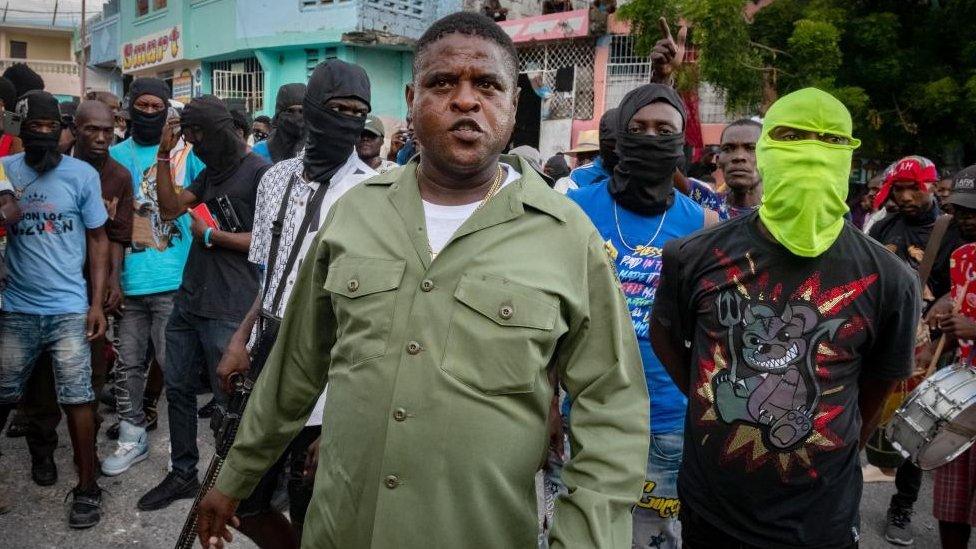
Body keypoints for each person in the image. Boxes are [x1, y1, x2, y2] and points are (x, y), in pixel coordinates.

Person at [196, 12, 648, 549]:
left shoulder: (565, 234)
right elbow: (295, 366)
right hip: (343, 529)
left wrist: (585, 536)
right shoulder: (355, 215)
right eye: (442, 83)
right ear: (412, 100)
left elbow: (612, 403)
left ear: (513, 104)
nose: (464, 100)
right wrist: (236, 476)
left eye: (486, 84)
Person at [650, 88, 919, 548]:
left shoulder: (892, 278)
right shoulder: (694, 254)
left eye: (830, 141)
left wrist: (833, 442)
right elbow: (667, 340)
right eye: (792, 137)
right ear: (770, 151)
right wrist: (713, 397)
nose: (812, 155)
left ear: (850, 157)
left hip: (822, 519)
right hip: (714, 510)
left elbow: (876, 390)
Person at [209, 58, 377, 549]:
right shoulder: (276, 180)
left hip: (328, 374)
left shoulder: (371, 193)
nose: (346, 119)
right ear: (310, 112)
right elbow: (272, 275)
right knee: (245, 501)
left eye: (357, 111)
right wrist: (241, 339)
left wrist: (344, 414)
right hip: (265, 354)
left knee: (314, 510)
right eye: (335, 108)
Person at [567, 83, 714, 549]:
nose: (650, 137)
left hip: (668, 417)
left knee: (653, 539)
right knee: (581, 534)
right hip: (588, 410)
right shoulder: (573, 211)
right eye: (638, 128)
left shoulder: (702, 224)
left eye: (663, 129)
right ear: (620, 137)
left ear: (681, 141)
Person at [137, 95, 268, 511]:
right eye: (190, 140)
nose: (199, 146)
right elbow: (172, 206)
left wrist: (212, 237)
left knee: (229, 398)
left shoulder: (261, 173)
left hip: (230, 307)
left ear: (224, 130)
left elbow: (269, 243)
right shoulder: (211, 171)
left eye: (202, 137)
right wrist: (162, 155)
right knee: (177, 388)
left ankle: (233, 485)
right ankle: (183, 474)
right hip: (190, 298)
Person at [0, 90, 110, 528]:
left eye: (51, 127)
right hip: (16, 308)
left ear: (63, 129)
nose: (44, 136)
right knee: (5, 396)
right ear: (20, 132)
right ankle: (42, 459)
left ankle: (87, 487)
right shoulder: (5, 172)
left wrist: (96, 302)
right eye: (35, 129)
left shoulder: (82, 175)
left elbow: (99, 239)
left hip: (68, 307)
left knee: (79, 399)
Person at [16, 100, 133, 487]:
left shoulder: (106, 175)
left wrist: (104, 293)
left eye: (107, 130)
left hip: (79, 298)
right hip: (25, 300)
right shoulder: (22, 168)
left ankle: (87, 471)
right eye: (91, 130)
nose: (101, 137)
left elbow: (109, 238)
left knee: (85, 389)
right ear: (76, 129)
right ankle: (42, 452)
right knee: (37, 391)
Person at [102, 78, 206, 475]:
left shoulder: (186, 155)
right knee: (127, 364)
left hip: (173, 280)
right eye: (141, 105)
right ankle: (133, 436)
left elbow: (208, 196)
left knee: (174, 367)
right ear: (129, 108)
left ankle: (183, 455)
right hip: (128, 281)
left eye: (155, 106)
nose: (148, 113)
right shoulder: (113, 157)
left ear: (167, 110)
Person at [867, 156, 965, 546]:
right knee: (866, 415)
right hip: (882, 338)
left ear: (931, 185)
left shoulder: (952, 230)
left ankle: (902, 506)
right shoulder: (885, 226)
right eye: (899, 189)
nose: (906, 197)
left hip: (931, 348)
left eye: (914, 188)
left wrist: (943, 303)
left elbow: (963, 285)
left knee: (915, 430)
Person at [929, 164, 976, 549]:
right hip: (962, 391)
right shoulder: (960, 257)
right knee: (952, 501)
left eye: (973, 210)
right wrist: (949, 325)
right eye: (960, 208)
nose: (964, 217)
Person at [253, 83, 306, 164]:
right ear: (278, 115)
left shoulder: (317, 150)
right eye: (289, 111)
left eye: (301, 111)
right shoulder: (259, 151)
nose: (297, 117)